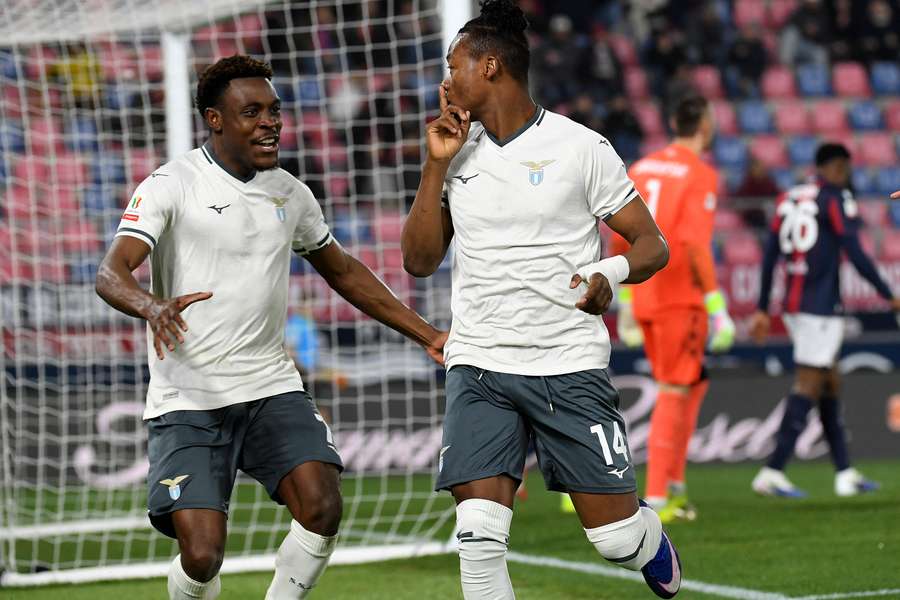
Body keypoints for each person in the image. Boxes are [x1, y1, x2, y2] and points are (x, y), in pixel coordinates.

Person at [95, 55, 446, 600]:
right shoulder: (171, 185)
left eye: (275, 110)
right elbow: (110, 272)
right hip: (189, 397)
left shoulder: (290, 191)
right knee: (203, 555)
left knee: (323, 504)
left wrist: (427, 334)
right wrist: (151, 306)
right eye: (251, 111)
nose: (270, 122)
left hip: (269, 386)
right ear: (214, 119)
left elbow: (344, 271)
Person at [401, 1, 681, 598]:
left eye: (454, 66)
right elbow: (418, 262)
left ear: (491, 67)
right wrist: (433, 167)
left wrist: (609, 270)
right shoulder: (454, 154)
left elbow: (653, 245)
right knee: (477, 539)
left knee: (614, 540)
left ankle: (646, 539)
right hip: (479, 364)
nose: (445, 80)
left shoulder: (581, 147)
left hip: (566, 364)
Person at [749, 143, 900, 498]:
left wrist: (761, 307)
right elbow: (855, 250)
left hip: (793, 304)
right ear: (836, 167)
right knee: (809, 383)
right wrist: (888, 293)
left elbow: (770, 255)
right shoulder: (833, 198)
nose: (846, 177)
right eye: (844, 170)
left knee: (830, 382)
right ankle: (772, 471)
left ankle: (845, 473)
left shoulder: (788, 197)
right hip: (820, 306)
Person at [613, 95, 735, 524]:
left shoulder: (642, 167)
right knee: (673, 389)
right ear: (705, 125)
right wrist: (717, 304)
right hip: (679, 298)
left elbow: (617, 230)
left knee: (691, 382)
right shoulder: (701, 174)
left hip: (644, 293)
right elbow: (695, 244)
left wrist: (626, 298)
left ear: (671, 121)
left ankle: (676, 486)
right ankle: (659, 497)